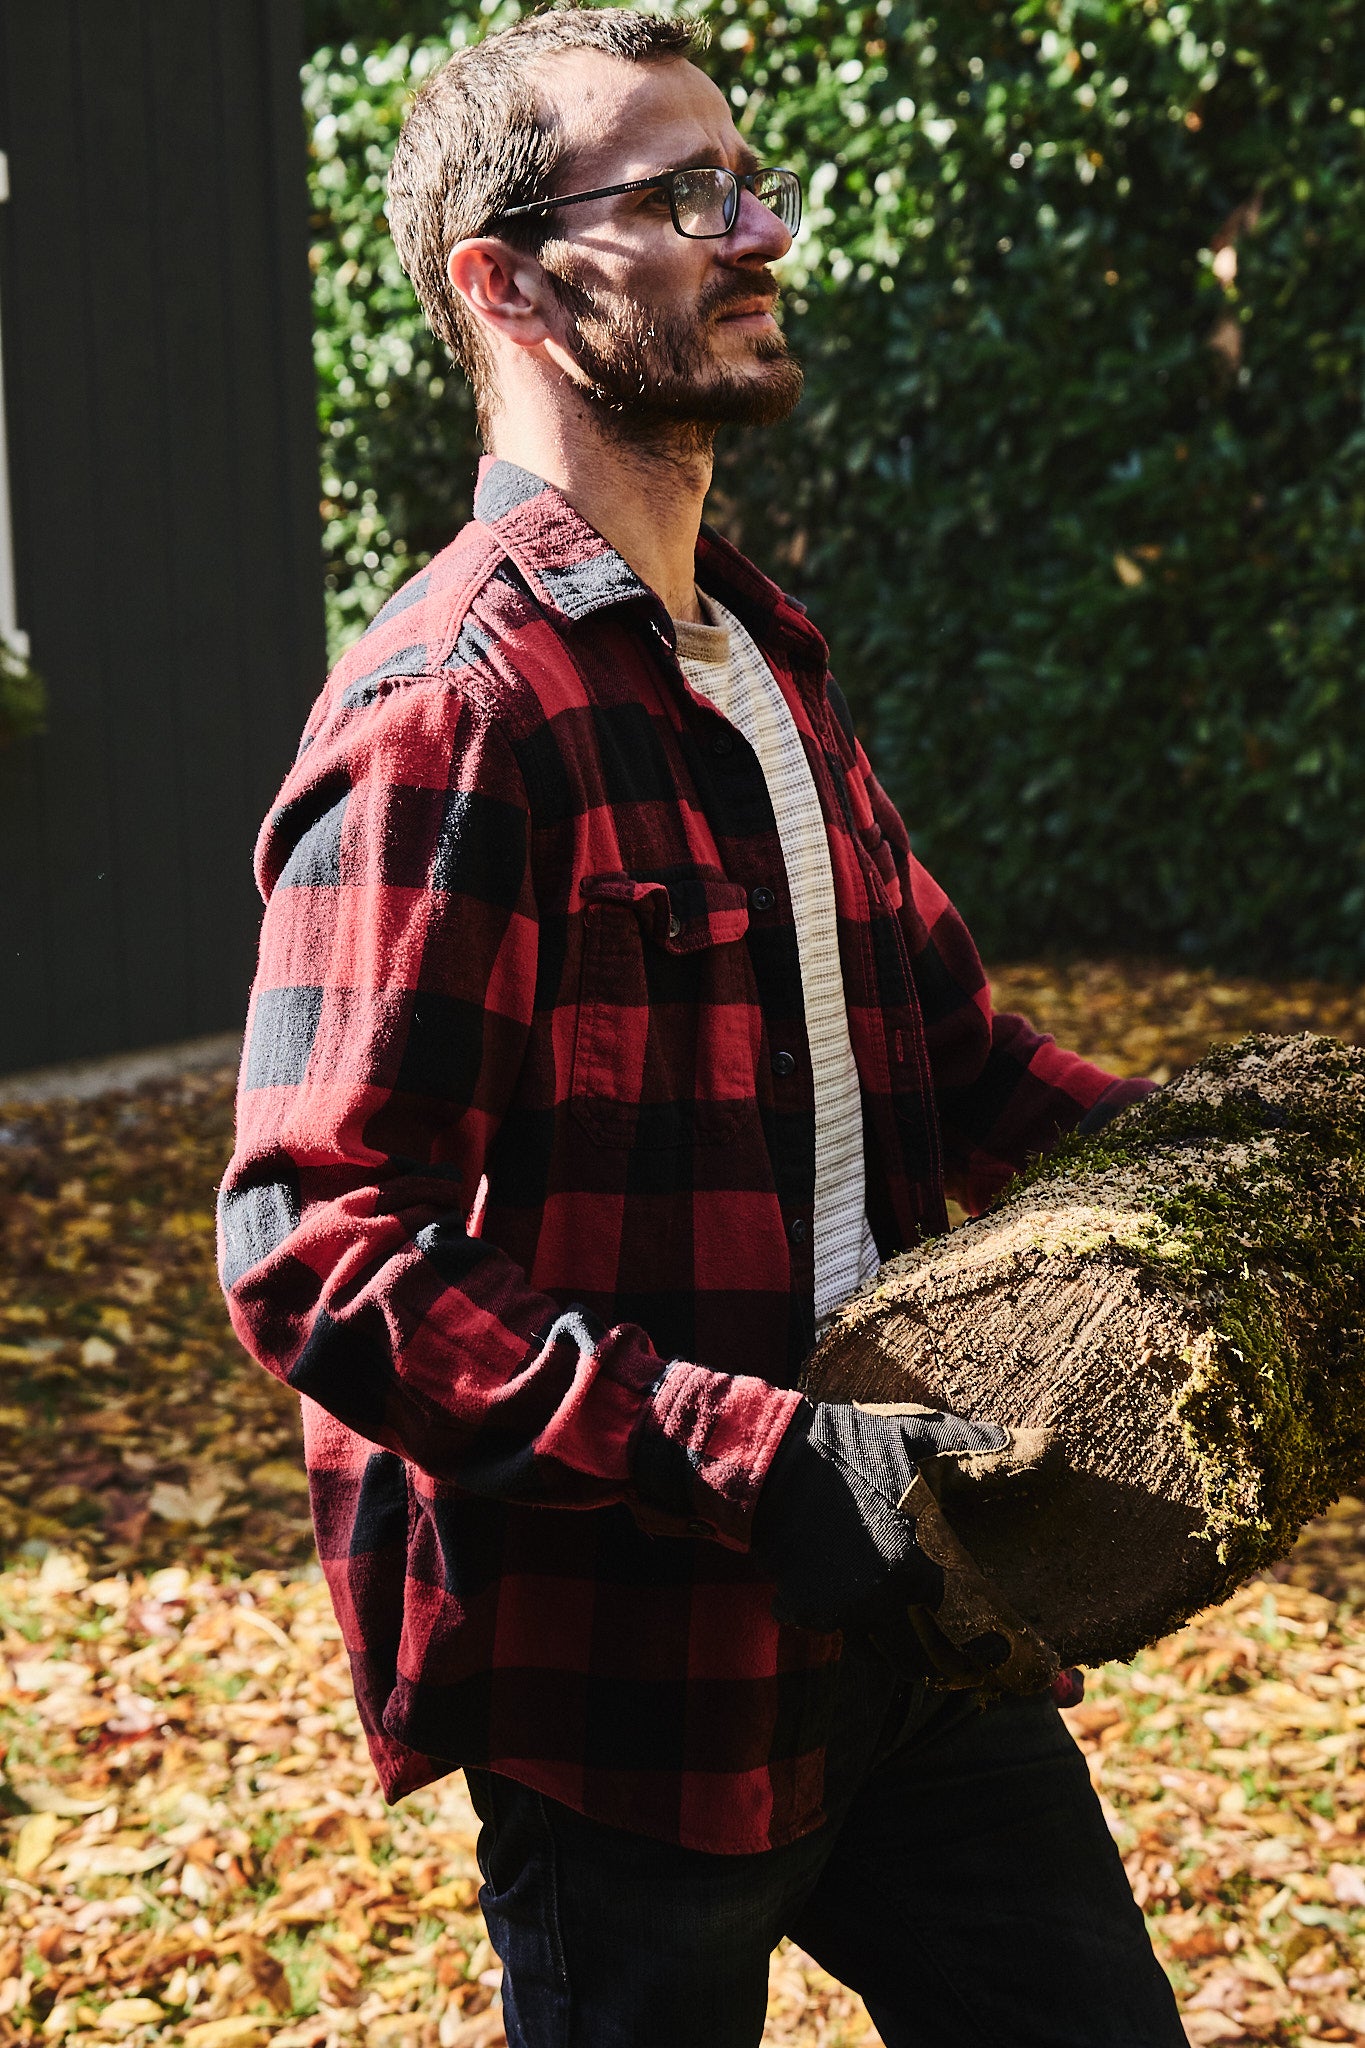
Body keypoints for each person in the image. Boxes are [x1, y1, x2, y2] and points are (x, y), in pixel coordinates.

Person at [219, 10, 1183, 2043]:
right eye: (675, 196)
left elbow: (954, 1057)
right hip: (632, 1704)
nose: (751, 234)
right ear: (499, 282)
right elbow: (316, 1248)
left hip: (912, 1630)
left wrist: (1243, 1162)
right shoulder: (448, 708)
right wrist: (759, 1462)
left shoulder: (757, 657)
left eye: (742, 185)